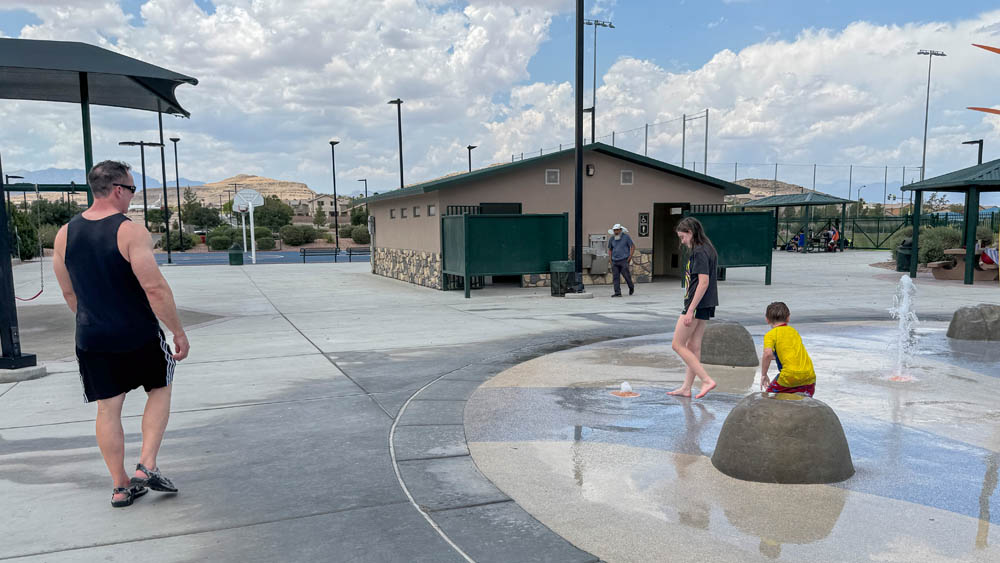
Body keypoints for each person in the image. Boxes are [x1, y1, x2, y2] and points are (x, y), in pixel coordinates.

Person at [52, 160, 190, 508]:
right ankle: (146, 465)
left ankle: (119, 485)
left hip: (92, 337)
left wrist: (93, 320)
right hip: (137, 333)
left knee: (107, 409)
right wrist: (177, 331)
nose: (131, 196)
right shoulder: (130, 231)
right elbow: (154, 288)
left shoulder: (64, 233)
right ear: (118, 190)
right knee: (159, 387)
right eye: (131, 189)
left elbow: (70, 294)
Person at [667, 217, 717, 399]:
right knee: (693, 346)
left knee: (677, 345)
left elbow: (703, 282)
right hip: (705, 304)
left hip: (696, 304)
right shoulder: (708, 248)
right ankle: (687, 388)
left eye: (683, 237)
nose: (682, 241)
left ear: (690, 233)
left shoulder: (700, 252)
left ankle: (706, 379)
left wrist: (689, 310)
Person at [759, 302, 816, 396]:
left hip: (789, 377)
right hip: (809, 376)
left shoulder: (771, 335)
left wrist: (764, 375)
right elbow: (791, 351)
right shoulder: (794, 332)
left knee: (768, 398)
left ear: (767, 320)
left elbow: (767, 354)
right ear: (788, 318)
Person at [607, 223, 635, 297]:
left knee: (626, 276)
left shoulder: (626, 237)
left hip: (624, 260)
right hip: (614, 261)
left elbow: (632, 246)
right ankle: (617, 292)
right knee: (615, 277)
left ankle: (631, 287)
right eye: (614, 230)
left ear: (620, 230)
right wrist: (610, 259)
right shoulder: (612, 239)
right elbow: (610, 249)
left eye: (617, 230)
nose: (616, 232)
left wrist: (630, 257)